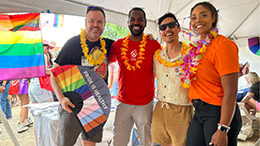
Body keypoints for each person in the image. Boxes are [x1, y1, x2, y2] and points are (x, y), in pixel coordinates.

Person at [50, 6, 114, 146]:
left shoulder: (108, 45)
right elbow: (53, 74)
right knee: (65, 143)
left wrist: (147, 38)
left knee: (90, 142)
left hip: (96, 104)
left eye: (99, 21)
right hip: (72, 104)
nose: (95, 25)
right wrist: (61, 99)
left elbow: (130, 45)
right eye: (92, 21)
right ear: (85, 22)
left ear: (104, 23)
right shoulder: (72, 44)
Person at [184, 2, 242, 146]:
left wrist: (222, 129)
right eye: (193, 18)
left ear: (214, 18)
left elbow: (232, 91)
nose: (197, 20)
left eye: (203, 15)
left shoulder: (223, 45)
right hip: (198, 111)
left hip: (218, 112)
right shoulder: (196, 49)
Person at [109, 7, 161, 146]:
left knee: (146, 142)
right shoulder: (118, 45)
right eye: (132, 19)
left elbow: (164, 63)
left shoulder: (153, 44)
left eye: (140, 19)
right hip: (123, 102)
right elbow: (104, 62)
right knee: (118, 142)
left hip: (145, 103)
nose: (136, 22)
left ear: (145, 23)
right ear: (128, 22)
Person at [151, 13, 193, 146]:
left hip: (182, 109)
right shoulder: (157, 56)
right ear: (160, 32)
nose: (167, 29)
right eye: (163, 27)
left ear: (179, 28)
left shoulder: (191, 55)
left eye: (171, 25)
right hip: (160, 108)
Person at [28, 41, 54, 144]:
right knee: (49, 113)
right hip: (41, 84)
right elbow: (43, 70)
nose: (47, 50)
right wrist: (55, 71)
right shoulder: (43, 55)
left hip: (33, 85)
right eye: (46, 47)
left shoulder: (31, 56)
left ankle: (38, 142)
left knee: (37, 117)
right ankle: (48, 142)